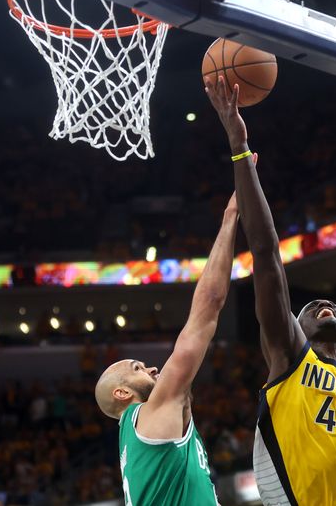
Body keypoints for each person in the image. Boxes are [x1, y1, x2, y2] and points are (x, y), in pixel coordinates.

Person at [206, 76, 336, 506]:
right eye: (311, 306)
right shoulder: (289, 357)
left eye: (332, 305)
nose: (323, 304)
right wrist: (240, 150)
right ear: (292, 326)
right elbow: (266, 255)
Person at [94, 194, 240, 506]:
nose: (152, 369)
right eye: (138, 368)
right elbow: (209, 305)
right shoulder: (151, 414)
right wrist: (230, 217)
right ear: (122, 393)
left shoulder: (141, 438)